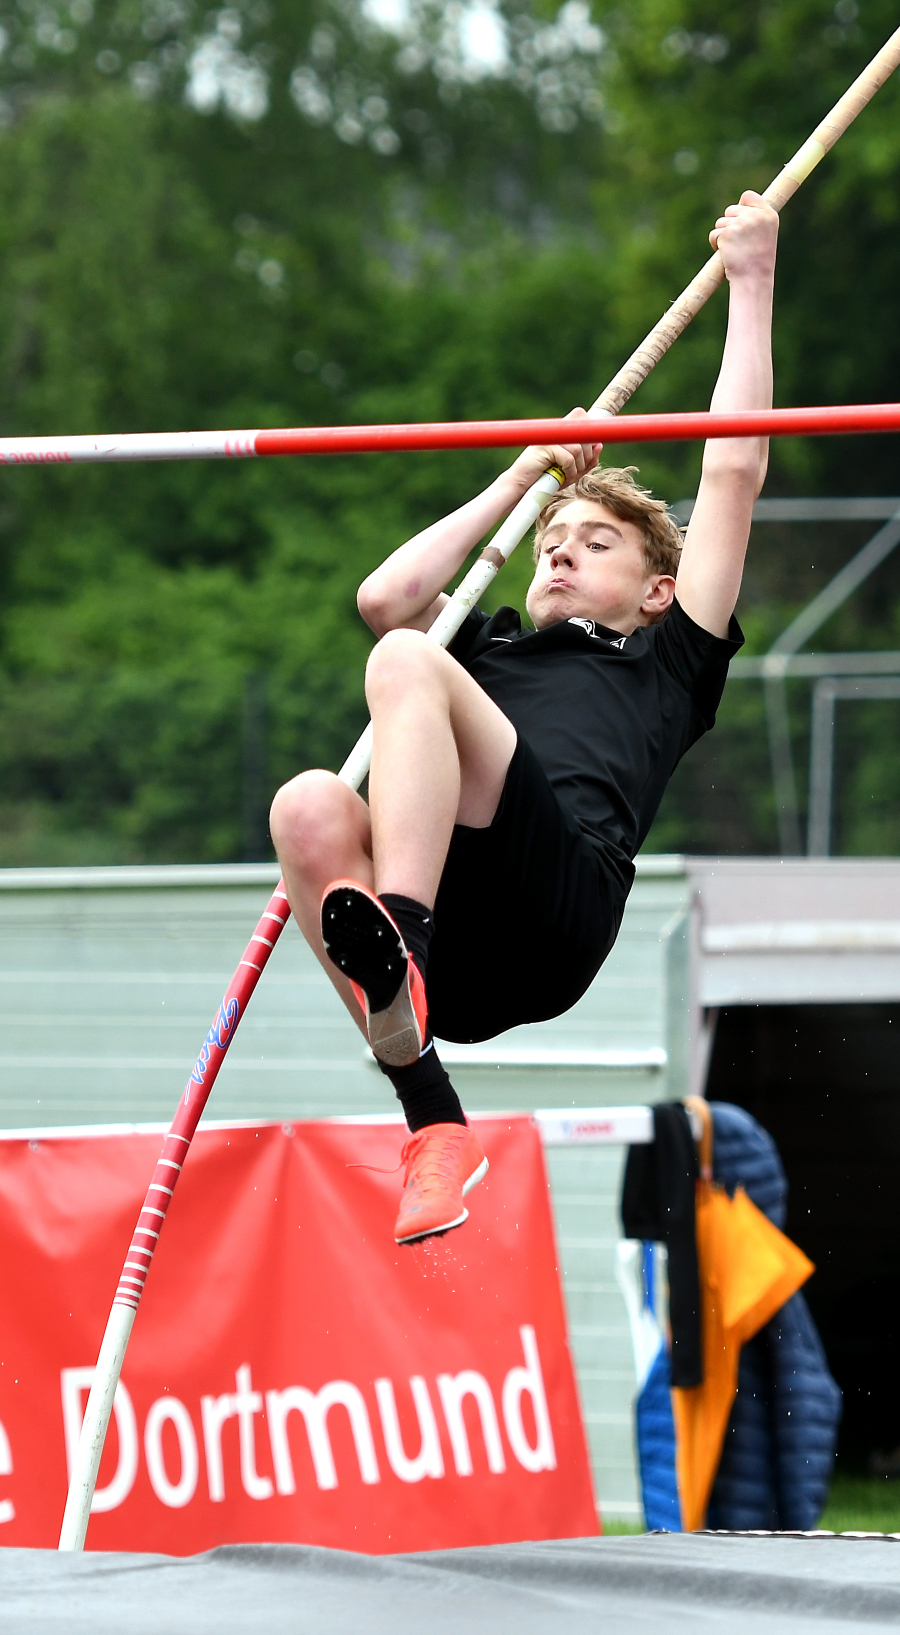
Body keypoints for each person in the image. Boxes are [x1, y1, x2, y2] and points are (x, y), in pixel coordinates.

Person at [269, 190, 778, 1245]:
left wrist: (752, 279)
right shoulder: (486, 645)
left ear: (656, 589)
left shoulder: (667, 659)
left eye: (594, 542)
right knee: (307, 806)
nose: (560, 550)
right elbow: (386, 596)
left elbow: (733, 466)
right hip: (461, 957)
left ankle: (397, 944)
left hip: (558, 907)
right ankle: (430, 1114)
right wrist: (521, 475)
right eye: (552, 541)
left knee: (405, 663)